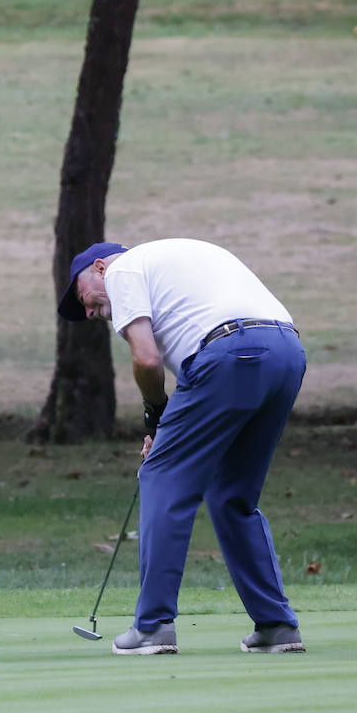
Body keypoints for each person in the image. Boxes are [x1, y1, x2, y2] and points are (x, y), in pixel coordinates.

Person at [59, 238, 306, 655]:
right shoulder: (179, 256)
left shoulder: (122, 270)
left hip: (230, 352)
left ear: (99, 268)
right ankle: (277, 626)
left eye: (82, 298)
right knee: (232, 495)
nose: (88, 311)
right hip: (286, 352)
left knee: (161, 475)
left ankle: (153, 627)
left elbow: (148, 360)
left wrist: (156, 416)